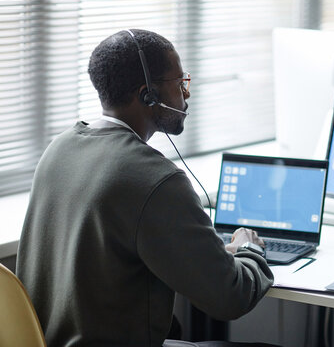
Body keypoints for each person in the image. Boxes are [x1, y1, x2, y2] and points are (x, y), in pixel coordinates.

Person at [16, 29, 276, 347]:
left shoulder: (59, 148)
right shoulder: (157, 179)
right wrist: (250, 249)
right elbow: (231, 297)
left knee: (176, 329)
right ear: (147, 95)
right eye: (180, 84)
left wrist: (210, 254)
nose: (187, 95)